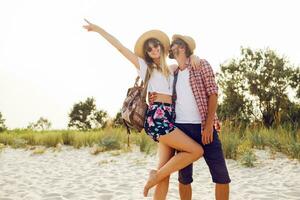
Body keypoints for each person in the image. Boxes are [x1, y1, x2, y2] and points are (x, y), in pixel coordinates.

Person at [82, 19, 204, 197]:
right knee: (196, 150)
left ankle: (156, 176)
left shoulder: (172, 68)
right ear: (146, 52)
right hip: (157, 118)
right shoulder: (145, 67)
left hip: (170, 118)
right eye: (149, 48)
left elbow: (187, 60)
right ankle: (153, 177)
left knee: (164, 173)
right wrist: (98, 29)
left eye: (156, 46)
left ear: (162, 47)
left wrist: (195, 57)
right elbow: (120, 48)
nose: (153, 49)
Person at [150, 35, 231, 200]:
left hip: (204, 127)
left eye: (173, 45)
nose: (170, 48)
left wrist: (208, 126)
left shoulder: (200, 65)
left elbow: (213, 94)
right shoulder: (173, 73)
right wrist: (153, 97)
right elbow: (162, 90)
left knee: (221, 176)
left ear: (182, 47)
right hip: (181, 129)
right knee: (184, 179)